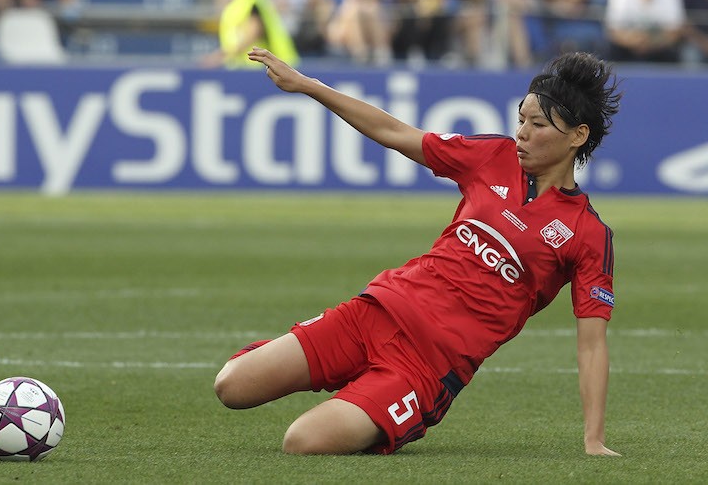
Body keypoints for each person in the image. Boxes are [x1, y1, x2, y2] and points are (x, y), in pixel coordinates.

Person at [214, 47, 622, 456]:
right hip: (375, 312)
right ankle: (342, 377)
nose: (522, 133)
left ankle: (373, 401)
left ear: (578, 135)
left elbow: (591, 344)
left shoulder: (586, 233)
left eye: (537, 124)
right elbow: (395, 132)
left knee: (302, 442)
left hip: (425, 367)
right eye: (520, 121)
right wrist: (308, 86)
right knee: (231, 385)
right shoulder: (492, 157)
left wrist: (594, 440)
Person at [202, 0, 299, 69]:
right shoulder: (239, 4)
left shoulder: (250, 1)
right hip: (260, 65)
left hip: (269, 66)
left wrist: (220, 56)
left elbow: (253, 33)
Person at [604, 0, 686, 63]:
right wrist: (634, 41)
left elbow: (675, 32)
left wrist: (650, 43)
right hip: (627, 47)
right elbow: (614, 30)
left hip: (659, 48)